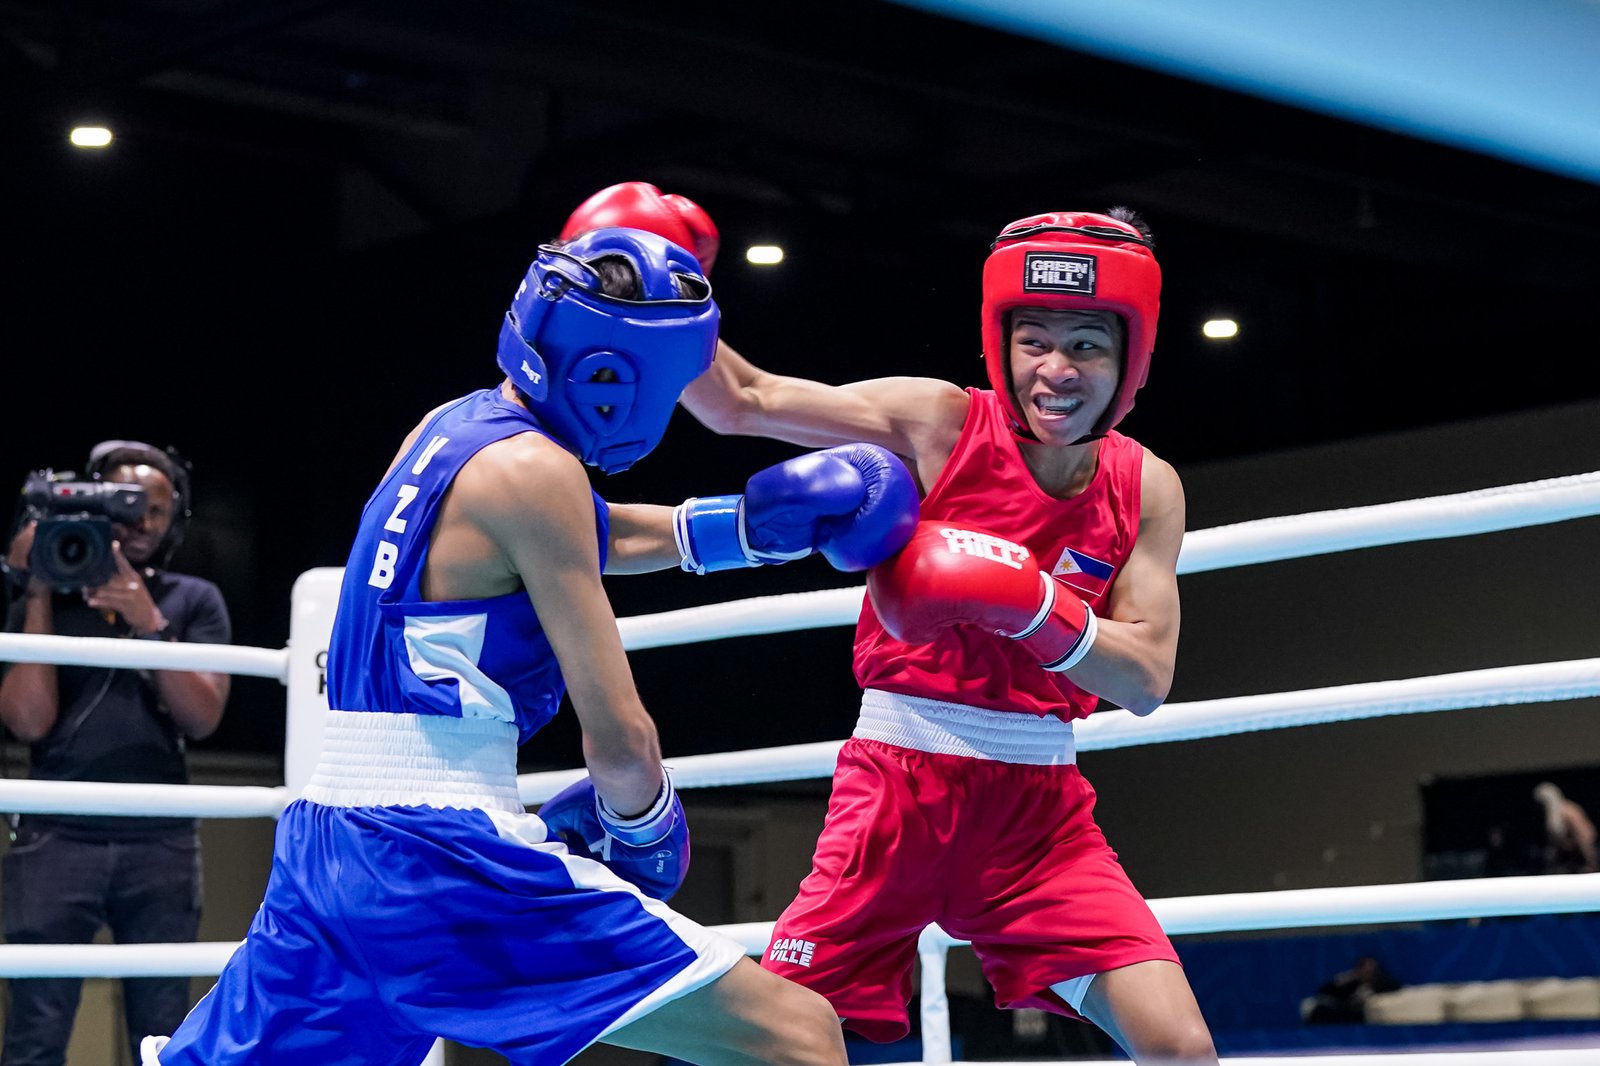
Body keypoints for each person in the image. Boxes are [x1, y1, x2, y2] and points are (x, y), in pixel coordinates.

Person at [143, 225, 919, 1065]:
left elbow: (580, 536)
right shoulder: (541, 475)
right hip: (440, 855)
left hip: (332, 848)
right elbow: (620, 735)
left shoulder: (451, 428)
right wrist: (645, 820)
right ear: (609, 382)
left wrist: (745, 531)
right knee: (798, 1037)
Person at [565, 185, 1216, 1063]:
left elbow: (1146, 679)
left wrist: (1028, 604)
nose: (1055, 370)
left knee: (1181, 1047)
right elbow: (743, 403)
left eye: (1086, 346)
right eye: (1034, 341)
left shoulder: (1147, 485)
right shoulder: (941, 421)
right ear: (1001, 340)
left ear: (1129, 360)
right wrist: (667, 288)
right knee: (784, 1042)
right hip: (897, 793)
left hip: (1042, 820)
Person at [1, 441, 231, 1066]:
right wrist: (41, 589)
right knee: (35, 1032)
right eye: (122, 505)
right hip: (55, 839)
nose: (137, 523)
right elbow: (27, 720)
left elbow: (203, 717)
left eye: (153, 510)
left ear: (174, 519)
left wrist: (148, 620)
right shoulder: (46, 598)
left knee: (160, 1032)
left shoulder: (193, 600)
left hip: (158, 845)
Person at [1303, 955, 1401, 1024]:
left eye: (1370, 968)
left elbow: (1395, 988)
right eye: (1364, 968)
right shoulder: (1351, 983)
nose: (1367, 971)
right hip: (1346, 1011)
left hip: (1364, 1014)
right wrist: (1344, 980)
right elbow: (1326, 992)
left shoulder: (1382, 982)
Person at [1532, 781, 1599, 874]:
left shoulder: (1569, 811)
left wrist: (1589, 859)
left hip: (1580, 856)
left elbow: (1584, 835)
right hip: (1566, 857)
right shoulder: (1553, 814)